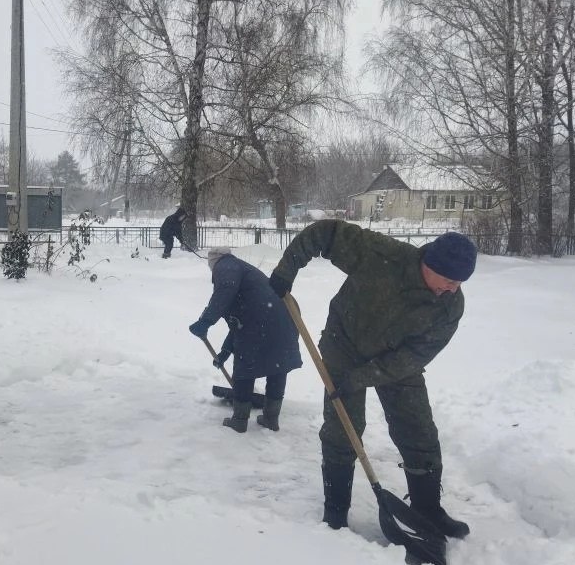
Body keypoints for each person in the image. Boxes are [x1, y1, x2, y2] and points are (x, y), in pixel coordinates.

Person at [268, 222, 476, 539]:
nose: (452, 289)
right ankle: (335, 513)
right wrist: (287, 270)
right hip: (344, 346)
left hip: (395, 362)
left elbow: (416, 356)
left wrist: (365, 377)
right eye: (449, 280)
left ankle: (427, 510)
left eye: (459, 283)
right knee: (343, 429)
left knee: (418, 430)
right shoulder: (382, 255)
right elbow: (324, 233)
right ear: (429, 264)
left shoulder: (450, 306)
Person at [189, 248, 302, 432]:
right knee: (277, 366)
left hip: (259, 323)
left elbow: (226, 290)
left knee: (245, 368)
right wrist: (225, 351)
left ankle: (239, 420)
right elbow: (238, 323)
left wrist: (206, 321)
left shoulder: (225, 265)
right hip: (285, 318)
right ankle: (270, 418)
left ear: (213, 262)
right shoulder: (245, 271)